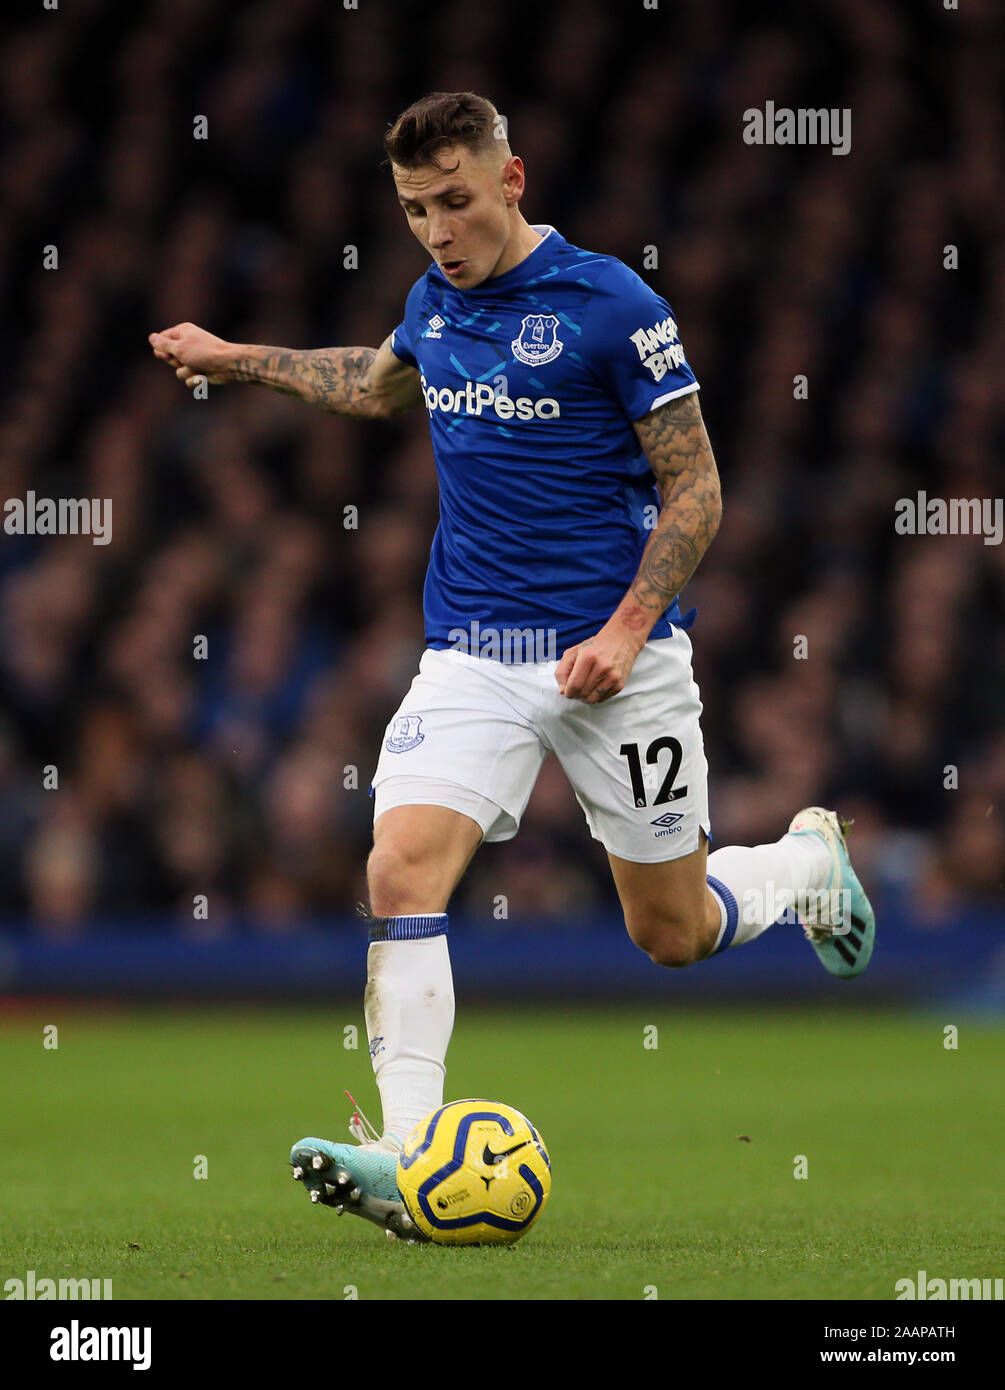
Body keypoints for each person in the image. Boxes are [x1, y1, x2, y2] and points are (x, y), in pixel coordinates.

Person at [149, 91, 875, 1242]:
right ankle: (406, 1155)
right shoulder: (434, 304)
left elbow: (697, 487)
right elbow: (379, 382)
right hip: (473, 656)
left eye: (454, 202)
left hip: (616, 662)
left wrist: (630, 630)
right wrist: (232, 360)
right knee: (400, 870)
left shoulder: (610, 305)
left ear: (512, 180)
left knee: (671, 934)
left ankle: (807, 867)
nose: (437, 231)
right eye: (413, 210)